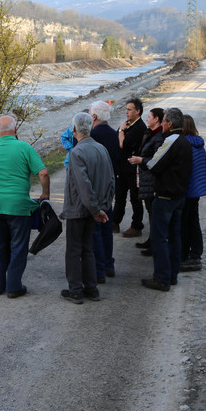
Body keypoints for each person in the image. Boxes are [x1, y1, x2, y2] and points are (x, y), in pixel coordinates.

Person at [0, 114, 50, 298]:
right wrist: (45, 194)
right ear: (16, 129)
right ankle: (13, 287)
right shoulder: (24, 147)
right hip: (18, 207)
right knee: (18, 246)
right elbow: (43, 173)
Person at [61, 112, 115, 304]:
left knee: (74, 250)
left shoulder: (76, 152)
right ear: (91, 127)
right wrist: (103, 206)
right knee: (88, 249)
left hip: (79, 209)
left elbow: (83, 185)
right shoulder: (101, 149)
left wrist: (94, 209)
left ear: (74, 129)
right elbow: (111, 180)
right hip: (96, 208)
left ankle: (76, 290)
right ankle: (91, 288)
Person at [138, 107, 192, 292]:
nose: (161, 125)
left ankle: (161, 279)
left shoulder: (171, 140)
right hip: (179, 195)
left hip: (165, 196)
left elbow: (154, 164)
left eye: (163, 121)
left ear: (169, 123)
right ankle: (172, 275)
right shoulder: (185, 141)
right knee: (174, 237)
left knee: (159, 239)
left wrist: (141, 161)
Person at [88, 101, 120, 282]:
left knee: (96, 227)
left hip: (96, 185)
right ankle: (108, 263)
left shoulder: (93, 135)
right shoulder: (113, 133)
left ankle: (98, 268)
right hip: (110, 184)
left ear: (94, 116)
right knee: (107, 225)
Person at [128, 107, 165, 254]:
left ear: (156, 119)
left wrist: (141, 160)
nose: (147, 119)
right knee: (151, 212)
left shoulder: (159, 136)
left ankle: (154, 244)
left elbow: (157, 159)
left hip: (152, 180)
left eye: (149, 117)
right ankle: (152, 240)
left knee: (154, 213)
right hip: (146, 178)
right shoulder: (150, 133)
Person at [180, 114, 206, 272]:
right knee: (193, 221)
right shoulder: (199, 144)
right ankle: (196, 253)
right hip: (196, 190)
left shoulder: (184, 144)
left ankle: (185, 254)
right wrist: (203, 181)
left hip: (187, 189)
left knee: (184, 223)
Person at [114, 98, 146, 237]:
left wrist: (121, 130)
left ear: (137, 111)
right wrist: (121, 131)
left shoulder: (139, 127)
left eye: (129, 109)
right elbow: (117, 139)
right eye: (126, 109)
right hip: (123, 167)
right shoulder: (128, 124)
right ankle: (115, 222)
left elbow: (123, 144)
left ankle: (136, 226)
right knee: (119, 196)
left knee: (135, 198)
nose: (126, 112)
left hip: (133, 169)